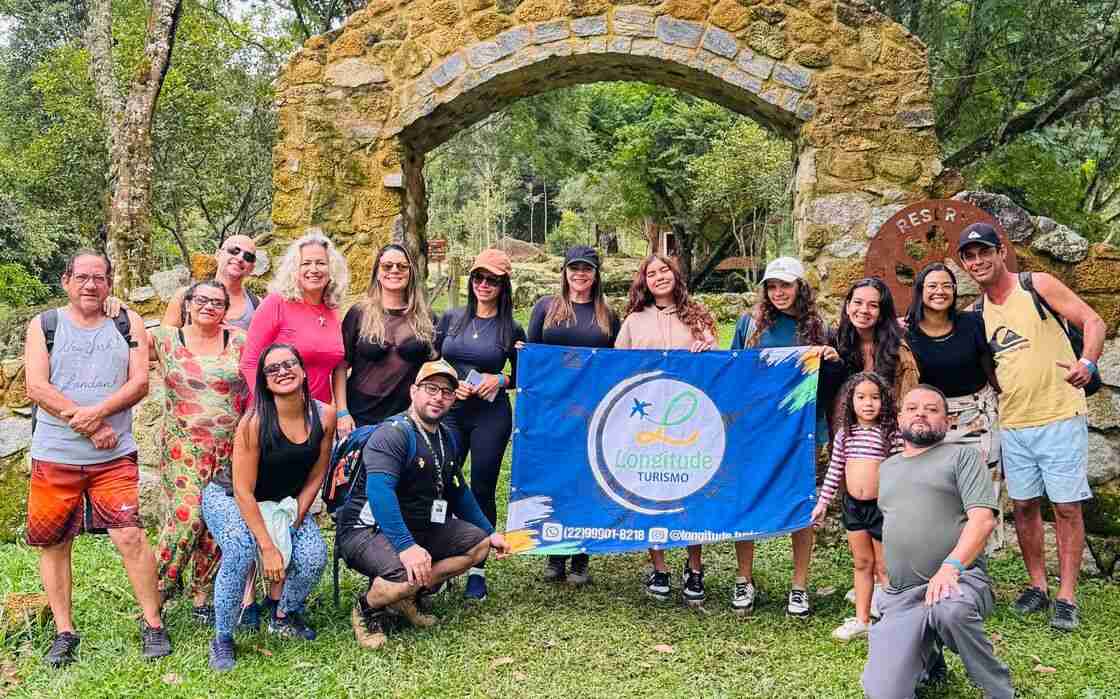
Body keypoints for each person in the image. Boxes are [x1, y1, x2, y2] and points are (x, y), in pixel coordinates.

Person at [24, 250, 170, 666]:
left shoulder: (127, 323)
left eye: (99, 278)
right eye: (82, 277)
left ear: (110, 282)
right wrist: (90, 424)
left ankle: (153, 622)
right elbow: (36, 386)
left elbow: (140, 382)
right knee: (55, 543)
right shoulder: (45, 325)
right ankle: (64, 631)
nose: (91, 285)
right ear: (67, 281)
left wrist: (98, 416)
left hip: (114, 455)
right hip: (55, 455)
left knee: (129, 535)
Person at [959, 222, 1105, 631]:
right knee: (1023, 506)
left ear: (1001, 251)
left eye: (984, 251)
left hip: (1059, 414)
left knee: (1066, 507)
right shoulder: (977, 313)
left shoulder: (1035, 284)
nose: (978, 261)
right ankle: (1037, 586)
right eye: (969, 257)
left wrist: (1088, 363)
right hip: (1013, 422)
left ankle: (1067, 596)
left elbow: (1094, 322)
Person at [336, 360, 512, 649]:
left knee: (478, 545)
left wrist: (489, 531)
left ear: (454, 399)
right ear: (413, 391)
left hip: (415, 524)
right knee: (408, 573)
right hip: (366, 529)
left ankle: (406, 598)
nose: (438, 397)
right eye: (431, 388)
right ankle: (367, 609)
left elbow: (458, 490)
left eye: (446, 391)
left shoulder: (444, 437)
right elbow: (380, 493)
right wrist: (407, 547)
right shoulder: (392, 434)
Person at [861, 385, 1013, 699]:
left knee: (950, 610)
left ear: (947, 420)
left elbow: (983, 519)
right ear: (900, 417)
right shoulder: (887, 469)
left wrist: (951, 567)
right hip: (902, 595)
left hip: (959, 581)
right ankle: (930, 660)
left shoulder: (963, 456)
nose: (921, 413)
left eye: (932, 409)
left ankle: (998, 689)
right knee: (882, 693)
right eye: (913, 407)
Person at [202, 344, 334, 671]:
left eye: (289, 364)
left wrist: (296, 521)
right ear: (264, 381)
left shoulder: (325, 415)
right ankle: (223, 638)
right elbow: (243, 491)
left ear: (303, 371)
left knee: (314, 555)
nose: (282, 371)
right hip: (230, 498)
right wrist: (268, 546)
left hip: (283, 503)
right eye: (272, 369)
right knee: (239, 550)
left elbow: (317, 473)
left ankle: (281, 612)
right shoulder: (255, 422)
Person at [729, 256, 843, 617]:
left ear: (800, 287)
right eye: (772, 286)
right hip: (756, 428)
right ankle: (744, 579)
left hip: (801, 429)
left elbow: (827, 385)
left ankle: (799, 585)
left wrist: (831, 358)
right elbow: (733, 371)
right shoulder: (750, 325)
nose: (778, 292)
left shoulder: (816, 327)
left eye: (786, 285)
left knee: (801, 501)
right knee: (747, 499)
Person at [616, 253, 716, 605]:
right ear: (644, 281)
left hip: (688, 420)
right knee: (650, 491)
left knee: (689, 492)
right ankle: (659, 566)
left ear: (676, 275)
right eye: (651, 272)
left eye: (665, 270)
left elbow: (719, 370)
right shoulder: (633, 321)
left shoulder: (699, 315)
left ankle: (695, 567)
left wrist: (707, 350)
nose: (659, 277)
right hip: (646, 421)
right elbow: (615, 369)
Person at [150, 280, 248, 623]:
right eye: (201, 300)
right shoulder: (164, 339)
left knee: (214, 522)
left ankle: (202, 594)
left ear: (226, 309)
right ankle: (156, 593)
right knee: (187, 518)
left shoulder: (240, 340)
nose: (209, 306)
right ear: (187, 303)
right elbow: (124, 343)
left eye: (217, 302)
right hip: (183, 446)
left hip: (229, 447)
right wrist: (113, 307)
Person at [527, 245, 621, 586]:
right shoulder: (545, 308)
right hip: (551, 407)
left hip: (591, 409)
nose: (580, 274)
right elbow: (530, 358)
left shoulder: (607, 315)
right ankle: (555, 552)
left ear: (596, 275)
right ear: (564, 271)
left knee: (586, 477)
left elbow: (618, 362)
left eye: (587, 269)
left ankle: (581, 553)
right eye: (574, 268)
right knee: (555, 476)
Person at [435, 248, 525, 601]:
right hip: (452, 411)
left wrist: (500, 380)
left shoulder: (511, 328)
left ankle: (477, 566)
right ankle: (442, 557)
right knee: (442, 481)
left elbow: (521, 375)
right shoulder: (452, 318)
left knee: (482, 486)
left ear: (504, 286)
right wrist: (449, 382)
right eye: (478, 277)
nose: (483, 285)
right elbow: (431, 360)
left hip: (490, 414)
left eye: (492, 280)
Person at [904, 262, 1005, 550]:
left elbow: (988, 364)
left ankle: (976, 566)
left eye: (947, 286)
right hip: (935, 420)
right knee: (940, 493)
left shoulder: (972, 323)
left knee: (981, 493)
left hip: (979, 414)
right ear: (920, 291)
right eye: (932, 286)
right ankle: (941, 560)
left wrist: (1003, 396)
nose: (940, 291)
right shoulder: (906, 333)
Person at [811, 372, 902, 641]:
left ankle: (892, 621)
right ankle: (862, 619)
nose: (868, 403)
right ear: (850, 402)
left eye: (875, 397)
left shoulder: (891, 434)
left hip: (882, 508)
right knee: (862, 563)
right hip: (853, 506)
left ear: (885, 401)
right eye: (861, 397)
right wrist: (823, 503)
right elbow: (835, 470)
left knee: (884, 567)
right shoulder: (845, 435)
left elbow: (901, 470)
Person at [334, 243, 436, 440]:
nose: (394, 271)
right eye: (387, 266)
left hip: (406, 416)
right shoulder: (359, 313)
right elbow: (340, 366)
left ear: (411, 272)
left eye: (401, 266)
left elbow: (433, 369)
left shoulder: (426, 318)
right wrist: (342, 412)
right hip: (359, 414)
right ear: (377, 272)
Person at [240, 230, 348, 405]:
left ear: (331, 269)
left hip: (317, 415)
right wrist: (269, 406)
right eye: (306, 263)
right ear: (294, 269)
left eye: (321, 263)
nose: (313, 269)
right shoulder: (276, 303)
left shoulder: (333, 311)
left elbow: (336, 366)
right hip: (275, 412)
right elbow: (249, 363)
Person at [832, 277, 919, 409]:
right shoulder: (834, 344)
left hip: (889, 424)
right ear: (847, 307)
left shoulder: (899, 350)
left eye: (873, 305)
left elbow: (909, 403)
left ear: (882, 313)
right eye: (858, 302)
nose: (864, 310)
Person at [162, 235, 260, 331]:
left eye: (248, 257)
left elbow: (264, 345)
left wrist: (237, 335)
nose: (240, 258)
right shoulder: (185, 296)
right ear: (218, 255)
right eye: (234, 251)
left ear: (252, 268)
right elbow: (163, 341)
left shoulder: (258, 305)